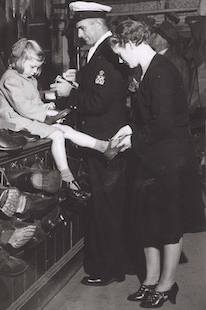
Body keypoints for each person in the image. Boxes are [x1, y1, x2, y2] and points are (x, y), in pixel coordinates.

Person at [109, 19, 206, 308]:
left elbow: (163, 123)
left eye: (119, 51)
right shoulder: (146, 71)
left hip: (170, 161)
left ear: (131, 43)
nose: (118, 58)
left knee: (168, 224)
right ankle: (150, 280)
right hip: (152, 158)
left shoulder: (162, 72)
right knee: (147, 221)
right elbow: (148, 117)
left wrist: (133, 139)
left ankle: (167, 284)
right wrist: (129, 129)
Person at [50, 1, 131, 286]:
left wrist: (69, 93)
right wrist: (79, 81)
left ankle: (109, 270)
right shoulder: (98, 53)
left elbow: (98, 102)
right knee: (104, 206)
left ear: (97, 23)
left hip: (106, 144)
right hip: (102, 142)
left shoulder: (107, 54)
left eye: (82, 28)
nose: (80, 34)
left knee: (107, 208)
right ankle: (107, 265)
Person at [0, 38, 112, 201]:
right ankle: (68, 179)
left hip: (25, 119)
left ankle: (103, 146)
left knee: (66, 130)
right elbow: (25, 108)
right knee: (57, 135)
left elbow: (34, 103)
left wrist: (45, 108)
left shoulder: (29, 79)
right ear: (20, 61)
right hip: (11, 122)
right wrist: (47, 115)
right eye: (32, 67)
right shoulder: (11, 79)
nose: (35, 71)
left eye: (37, 67)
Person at [151, 20, 190, 101]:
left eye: (156, 35)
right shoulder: (152, 58)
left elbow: (182, 89)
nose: (152, 36)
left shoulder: (177, 61)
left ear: (163, 41)